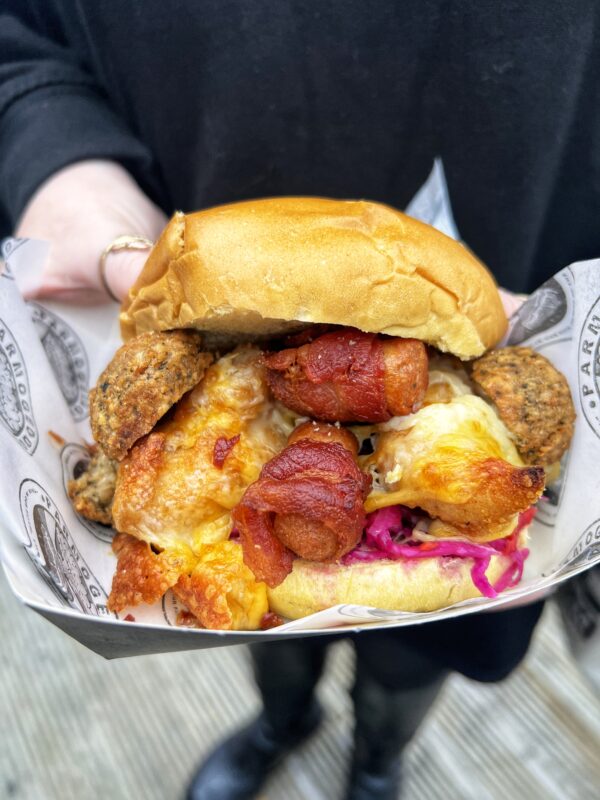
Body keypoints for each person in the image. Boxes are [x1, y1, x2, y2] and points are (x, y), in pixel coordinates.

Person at [2, 3, 598, 799]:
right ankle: (282, 721)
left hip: (521, 253)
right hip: (188, 240)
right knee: (265, 639)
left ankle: (377, 757)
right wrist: (73, 183)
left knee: (421, 658)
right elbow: (19, 43)